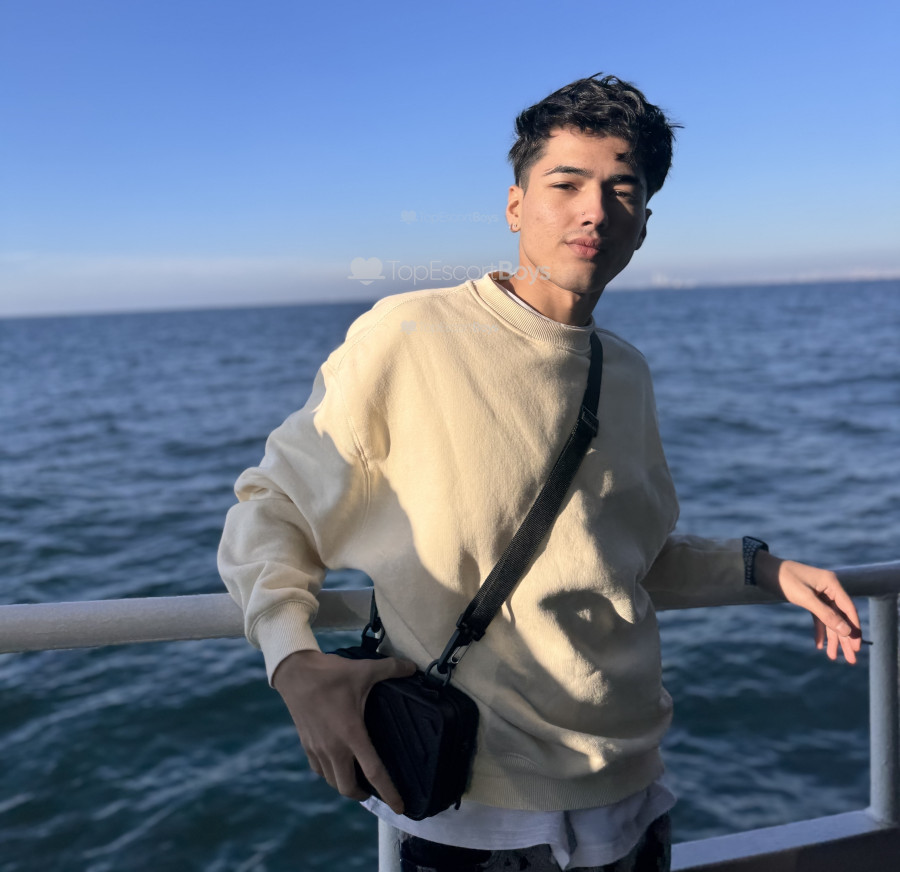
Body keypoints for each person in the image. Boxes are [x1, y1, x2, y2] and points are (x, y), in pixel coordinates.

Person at [217, 75, 862, 872]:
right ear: (516, 205)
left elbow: (621, 558)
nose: (596, 210)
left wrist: (764, 567)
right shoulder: (410, 335)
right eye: (566, 183)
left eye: (623, 190)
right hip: (478, 809)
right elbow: (271, 505)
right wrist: (292, 660)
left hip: (632, 786)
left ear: (644, 225)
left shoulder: (625, 371)